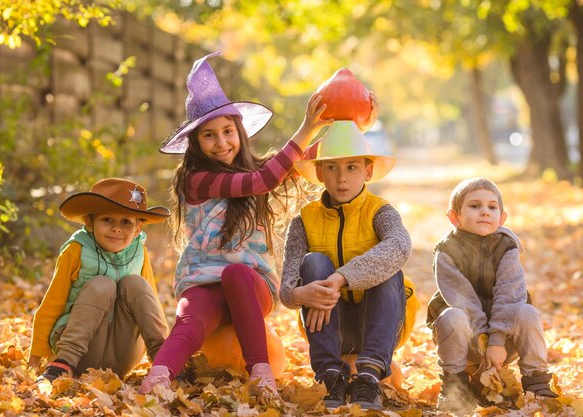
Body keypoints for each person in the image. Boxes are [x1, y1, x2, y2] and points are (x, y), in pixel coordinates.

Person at [138, 52, 381, 395]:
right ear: (195, 142)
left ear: (239, 132)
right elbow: (263, 181)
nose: (221, 142)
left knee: (235, 274)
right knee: (190, 320)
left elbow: (313, 158)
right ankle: (159, 375)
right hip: (203, 281)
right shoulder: (197, 179)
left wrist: (354, 126)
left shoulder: (256, 169)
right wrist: (306, 126)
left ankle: (260, 373)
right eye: (209, 136)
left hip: (250, 284)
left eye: (227, 132)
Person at [280, 121, 412, 410]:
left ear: (367, 171)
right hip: (329, 326)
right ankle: (330, 375)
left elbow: (400, 246)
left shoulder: (380, 211)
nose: (342, 178)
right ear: (319, 172)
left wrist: (342, 277)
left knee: (389, 270)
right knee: (313, 261)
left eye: (352, 167)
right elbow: (288, 282)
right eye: (332, 167)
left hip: (380, 323)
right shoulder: (304, 220)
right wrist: (299, 294)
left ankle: (368, 375)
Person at [426, 177, 558, 414]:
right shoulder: (446, 252)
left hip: (504, 341)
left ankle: (537, 382)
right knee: (452, 315)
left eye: (492, 207)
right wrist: (483, 342)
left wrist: (496, 340)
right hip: (464, 340)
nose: (484, 212)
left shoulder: (507, 247)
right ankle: (455, 387)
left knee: (527, 312)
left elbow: (510, 294)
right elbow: (463, 300)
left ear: (502, 217)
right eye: (475, 206)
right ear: (455, 217)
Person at [28, 178, 170, 382]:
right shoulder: (76, 250)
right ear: (90, 222)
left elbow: (150, 304)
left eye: (126, 222)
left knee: (136, 284)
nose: (116, 228)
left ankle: (164, 361)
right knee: (101, 284)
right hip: (80, 353)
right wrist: (36, 356)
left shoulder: (140, 252)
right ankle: (62, 364)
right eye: (107, 220)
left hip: (121, 354)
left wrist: (170, 350)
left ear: (138, 228)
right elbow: (53, 302)